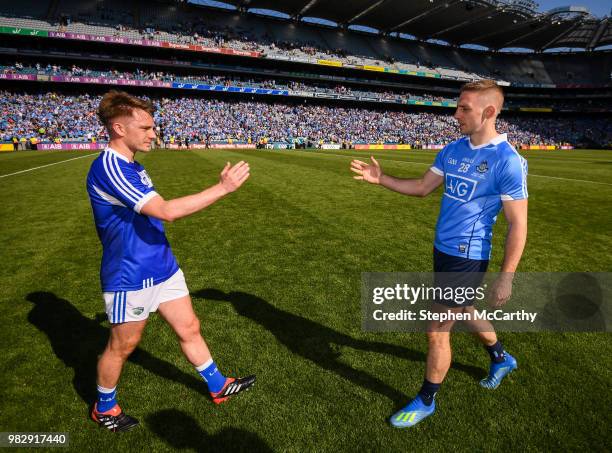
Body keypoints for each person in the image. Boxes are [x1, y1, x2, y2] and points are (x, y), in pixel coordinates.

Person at [350, 79, 528, 428]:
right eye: (458, 106)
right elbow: (421, 188)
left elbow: (517, 224)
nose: (456, 113)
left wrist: (507, 276)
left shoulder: (507, 161)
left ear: (489, 112)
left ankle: (426, 399)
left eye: (465, 108)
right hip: (442, 249)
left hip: (468, 255)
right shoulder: (453, 149)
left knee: (436, 329)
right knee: (464, 310)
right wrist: (381, 179)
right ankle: (500, 357)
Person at [86, 90, 255, 433]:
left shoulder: (133, 164)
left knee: (189, 327)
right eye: (146, 127)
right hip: (129, 274)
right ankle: (104, 408)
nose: (153, 133)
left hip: (162, 265)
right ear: (119, 128)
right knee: (123, 345)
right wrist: (222, 189)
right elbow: (166, 211)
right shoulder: (109, 166)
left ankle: (218, 385)